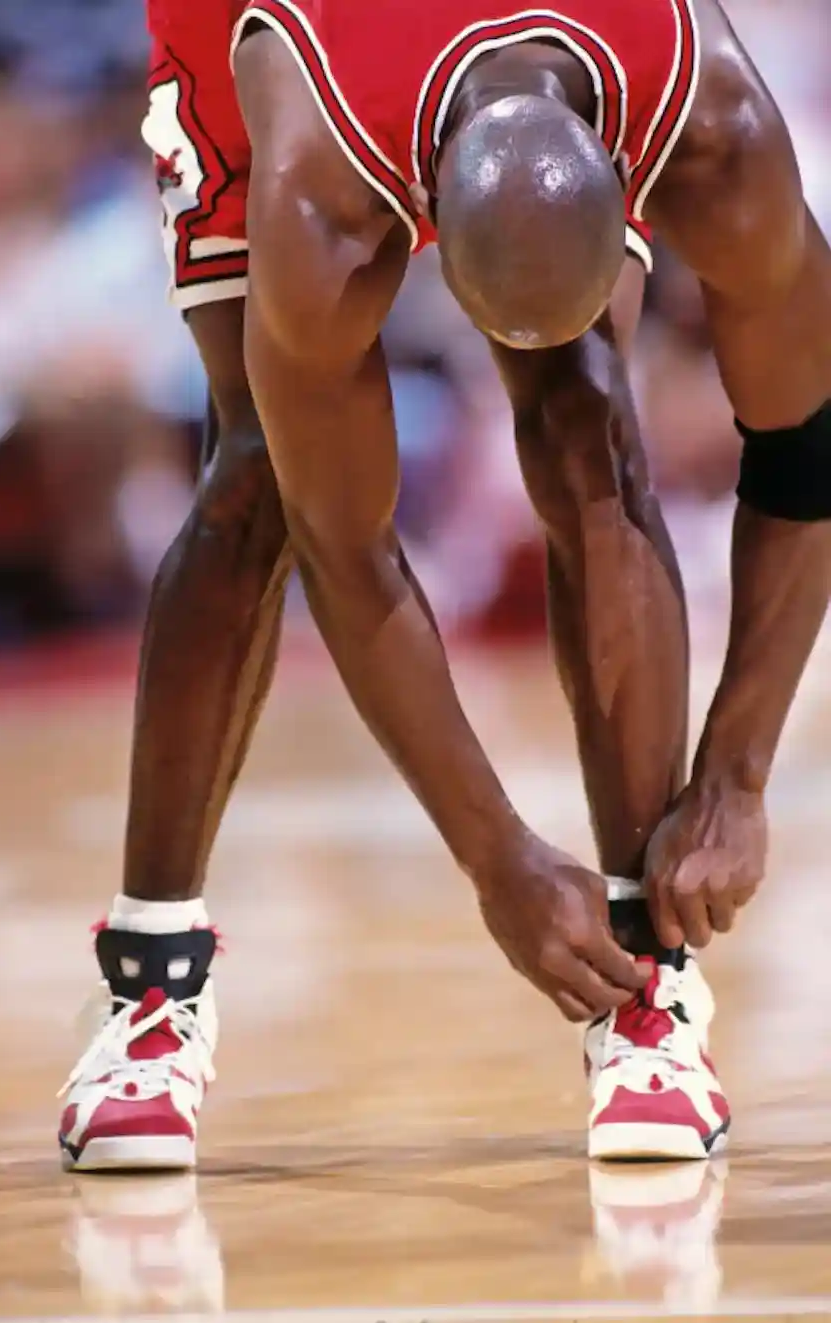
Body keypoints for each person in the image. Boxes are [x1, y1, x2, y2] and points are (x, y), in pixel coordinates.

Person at [59, 0, 831, 1170]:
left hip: (516, 72)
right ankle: (149, 986)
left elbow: (809, 447)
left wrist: (736, 776)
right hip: (290, 39)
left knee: (584, 419)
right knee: (260, 473)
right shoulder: (318, 170)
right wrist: (498, 859)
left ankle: (646, 978)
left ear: (625, 178)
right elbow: (348, 549)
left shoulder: (711, 110)